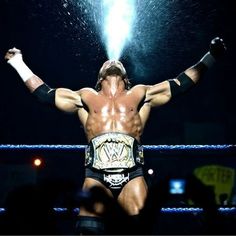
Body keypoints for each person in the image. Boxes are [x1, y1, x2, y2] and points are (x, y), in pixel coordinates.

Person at [4, 37, 226, 234]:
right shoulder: (85, 97)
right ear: (99, 76)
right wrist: (18, 63)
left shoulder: (141, 93)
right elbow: (45, 94)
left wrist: (211, 56)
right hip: (96, 176)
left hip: (133, 175)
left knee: (140, 228)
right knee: (87, 230)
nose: (112, 61)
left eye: (117, 62)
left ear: (126, 77)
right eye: (106, 62)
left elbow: (181, 84)